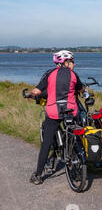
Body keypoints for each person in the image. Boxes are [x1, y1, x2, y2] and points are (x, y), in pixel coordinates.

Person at [27, 50, 84, 184]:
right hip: (71, 111)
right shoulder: (73, 74)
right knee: (75, 134)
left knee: (46, 143)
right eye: (72, 62)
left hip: (53, 112)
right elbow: (81, 89)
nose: (73, 64)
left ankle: (38, 175)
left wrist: (29, 94)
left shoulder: (50, 73)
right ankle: (80, 160)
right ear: (67, 62)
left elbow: (37, 91)